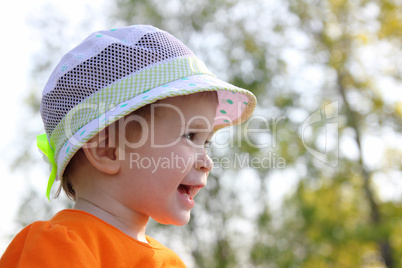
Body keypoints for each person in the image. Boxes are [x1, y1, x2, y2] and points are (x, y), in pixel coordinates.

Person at [0, 25, 256, 267]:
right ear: (108, 150)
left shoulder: (171, 263)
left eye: (207, 142)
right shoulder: (58, 248)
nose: (207, 161)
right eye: (190, 136)